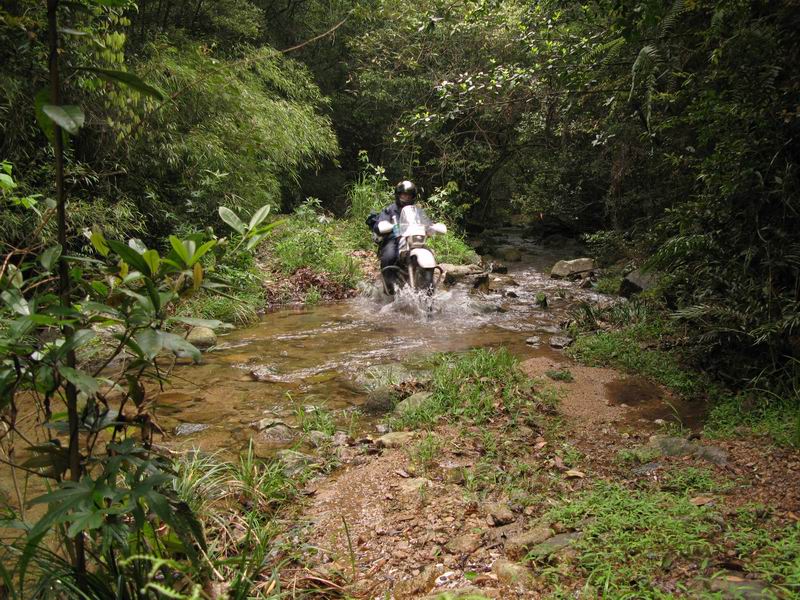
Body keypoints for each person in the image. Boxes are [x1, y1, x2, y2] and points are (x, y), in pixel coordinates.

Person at [367, 180, 418, 295]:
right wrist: (390, 226)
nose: (406, 197)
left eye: (409, 195)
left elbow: (425, 223)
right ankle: (388, 288)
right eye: (403, 194)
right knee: (388, 257)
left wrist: (431, 227)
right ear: (398, 195)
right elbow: (379, 226)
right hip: (394, 239)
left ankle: (427, 282)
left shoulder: (416, 211)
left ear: (413, 197)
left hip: (413, 240)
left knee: (427, 252)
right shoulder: (390, 210)